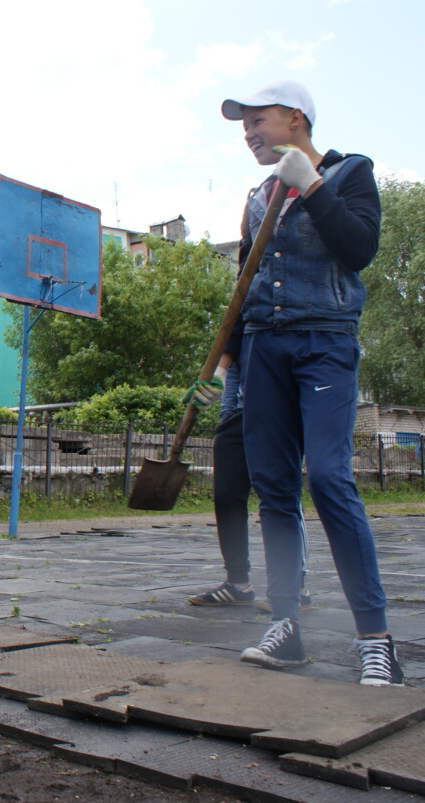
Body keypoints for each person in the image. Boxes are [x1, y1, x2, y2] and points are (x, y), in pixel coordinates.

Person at [219, 79, 400, 685]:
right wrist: (228, 359)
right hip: (262, 347)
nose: (248, 132)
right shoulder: (254, 196)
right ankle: (287, 626)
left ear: (296, 118)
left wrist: (312, 186)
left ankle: (375, 638)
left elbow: (359, 249)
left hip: (324, 341)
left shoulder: (350, 174)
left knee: (326, 475)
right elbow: (245, 278)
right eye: (242, 124)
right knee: (272, 485)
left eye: (257, 120)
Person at [184, 355, 312, 612]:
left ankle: (294, 586)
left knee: (279, 497)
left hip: (278, 409)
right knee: (226, 497)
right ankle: (237, 584)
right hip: (236, 410)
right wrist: (221, 387)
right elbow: (232, 345)